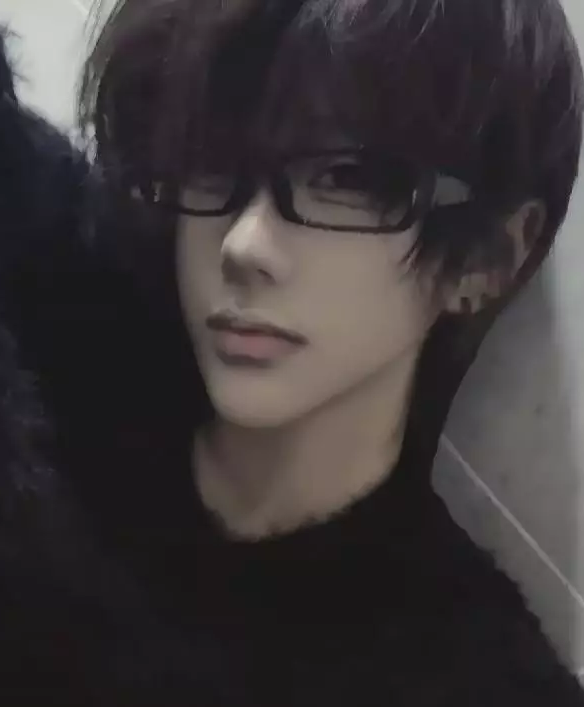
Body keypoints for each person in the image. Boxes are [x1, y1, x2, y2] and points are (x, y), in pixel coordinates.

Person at [63, 0, 584, 703]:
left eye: (347, 178)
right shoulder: (36, 414)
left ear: (484, 257)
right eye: (210, 159)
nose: (244, 245)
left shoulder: (478, 677)